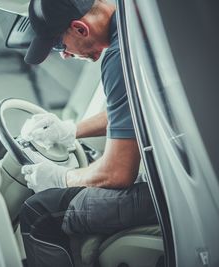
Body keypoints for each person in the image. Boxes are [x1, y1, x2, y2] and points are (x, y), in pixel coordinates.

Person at [19, 0, 158, 266]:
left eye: (60, 45)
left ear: (80, 29)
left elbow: (117, 173)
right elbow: (133, 107)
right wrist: (70, 130)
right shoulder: (137, 23)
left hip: (165, 192)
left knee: (39, 211)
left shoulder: (120, 56)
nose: (64, 55)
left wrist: (62, 177)